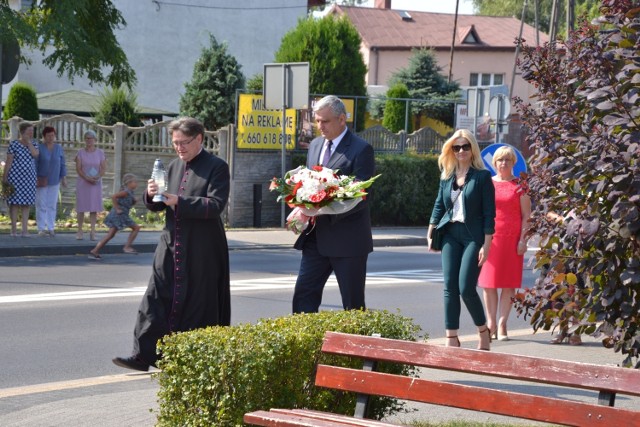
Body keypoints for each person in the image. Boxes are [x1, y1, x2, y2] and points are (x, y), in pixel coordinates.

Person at [112, 117, 231, 371]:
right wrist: (150, 192)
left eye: (183, 142)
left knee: (198, 304)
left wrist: (180, 201)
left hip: (203, 249)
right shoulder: (173, 166)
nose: (179, 148)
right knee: (155, 297)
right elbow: (157, 204)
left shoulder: (217, 167)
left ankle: (193, 360)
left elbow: (216, 205)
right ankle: (143, 355)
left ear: (199, 138)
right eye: (175, 143)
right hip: (171, 244)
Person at [292, 95, 375, 313]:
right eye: (317, 120)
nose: (319, 126)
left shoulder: (361, 149)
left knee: (353, 306)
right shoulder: (316, 145)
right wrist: (301, 208)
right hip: (315, 239)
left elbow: (361, 195)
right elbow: (308, 184)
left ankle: (354, 346)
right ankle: (304, 345)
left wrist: (320, 206)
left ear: (341, 119)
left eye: (325, 121)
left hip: (348, 241)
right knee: (303, 297)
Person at [427, 129, 495, 350]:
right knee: (449, 286)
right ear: (451, 150)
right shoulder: (447, 176)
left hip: (473, 237)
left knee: (466, 287)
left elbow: (489, 213)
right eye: (456, 147)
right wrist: (431, 228)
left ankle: (483, 330)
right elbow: (439, 204)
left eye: (465, 146)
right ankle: (451, 337)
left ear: (472, 148)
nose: (461, 151)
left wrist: (487, 244)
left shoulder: (483, 177)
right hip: (449, 235)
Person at [478, 146, 531, 341]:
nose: (504, 163)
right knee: (488, 284)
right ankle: (491, 323)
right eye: (500, 160)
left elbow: (527, 216)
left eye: (508, 160)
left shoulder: (520, 186)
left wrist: (523, 240)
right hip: (489, 239)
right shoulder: (486, 184)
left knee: (508, 285)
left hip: (512, 239)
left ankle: (502, 324)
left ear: (513, 163)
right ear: (494, 163)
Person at [88, 173, 141, 259]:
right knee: (136, 228)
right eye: (135, 182)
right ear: (129, 183)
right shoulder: (125, 192)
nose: (137, 184)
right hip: (118, 215)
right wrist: (117, 209)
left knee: (111, 234)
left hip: (122, 215)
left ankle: (95, 251)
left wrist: (135, 201)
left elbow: (128, 204)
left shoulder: (131, 192)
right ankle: (127, 247)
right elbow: (114, 196)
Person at [2, 122, 39, 237]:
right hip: (15, 178)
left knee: (26, 204)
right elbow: (9, 161)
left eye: (32, 131)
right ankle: (13, 230)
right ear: (22, 132)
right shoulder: (14, 144)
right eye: (29, 130)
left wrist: (28, 143)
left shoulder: (34, 144)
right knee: (14, 204)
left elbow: (35, 155)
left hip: (29, 178)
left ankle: (25, 230)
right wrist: (5, 176)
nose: (31, 133)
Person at [35, 126, 67, 237]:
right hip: (41, 180)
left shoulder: (58, 148)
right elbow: (35, 163)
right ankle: (41, 228)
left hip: (55, 180)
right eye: (48, 135)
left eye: (52, 135)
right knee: (41, 204)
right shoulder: (39, 147)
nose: (51, 137)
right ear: (44, 137)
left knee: (52, 205)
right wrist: (34, 177)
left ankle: (51, 227)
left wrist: (64, 178)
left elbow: (62, 163)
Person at [75, 130, 107, 241]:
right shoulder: (80, 152)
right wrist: (86, 177)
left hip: (95, 183)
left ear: (95, 140)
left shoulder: (100, 153)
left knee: (94, 208)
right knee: (81, 208)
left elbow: (103, 168)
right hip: (83, 183)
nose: (89, 140)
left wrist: (97, 176)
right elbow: (78, 169)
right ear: (84, 140)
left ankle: (93, 232)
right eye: (87, 138)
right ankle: (79, 231)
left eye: (91, 138)